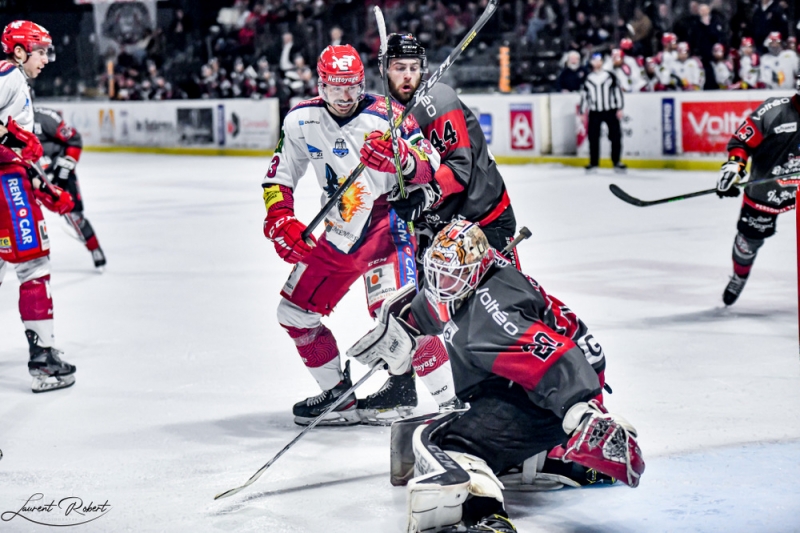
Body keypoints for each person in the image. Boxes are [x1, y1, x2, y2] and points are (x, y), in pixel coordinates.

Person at [347, 220, 645, 533]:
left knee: (453, 443)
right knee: (476, 413)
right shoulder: (467, 283)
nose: (440, 282)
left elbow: (556, 360)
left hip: (555, 391)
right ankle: (554, 462)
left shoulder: (494, 317)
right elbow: (436, 301)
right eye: (436, 272)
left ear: (476, 271)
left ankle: (487, 516)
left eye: (450, 275)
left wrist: (585, 414)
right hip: (534, 382)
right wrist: (403, 326)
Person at [261, 44, 450, 426]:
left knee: (401, 318)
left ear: (363, 83)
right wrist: (280, 217)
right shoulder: (300, 120)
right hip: (339, 228)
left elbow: (430, 164)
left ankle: (452, 404)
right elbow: (278, 176)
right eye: (335, 88)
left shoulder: (389, 115)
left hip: (385, 224)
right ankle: (338, 396)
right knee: (294, 313)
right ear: (320, 85)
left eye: (353, 87)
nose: (345, 96)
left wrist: (402, 158)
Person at [379, 33, 523, 410]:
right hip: (440, 231)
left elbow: (459, 169)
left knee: (499, 311)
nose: (407, 77)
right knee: (441, 317)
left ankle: (521, 393)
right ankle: (422, 389)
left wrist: (421, 197)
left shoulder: (437, 99)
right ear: (385, 70)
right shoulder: (383, 114)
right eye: (399, 69)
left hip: (483, 222)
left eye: (413, 68)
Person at [0, 20, 77, 392]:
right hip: (6, 183)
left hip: (12, 179)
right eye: (41, 50)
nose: (47, 58)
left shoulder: (14, 79)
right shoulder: (9, 75)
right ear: (18, 51)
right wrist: (15, 139)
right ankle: (44, 362)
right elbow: (11, 144)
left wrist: (44, 188)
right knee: (34, 264)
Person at [715, 74, 800, 305]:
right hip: (768, 191)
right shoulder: (775, 110)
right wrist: (734, 168)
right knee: (747, 242)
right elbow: (741, 142)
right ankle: (739, 276)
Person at [33, 107, 106, 270]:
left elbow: (74, 139)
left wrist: (66, 164)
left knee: (74, 214)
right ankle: (34, 257)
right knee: (23, 217)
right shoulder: (6, 121)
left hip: (59, 174)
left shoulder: (46, 118)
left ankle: (94, 248)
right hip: (29, 177)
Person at [580, 53, 626, 174]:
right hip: (594, 111)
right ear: (591, 63)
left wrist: (620, 108)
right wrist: (582, 111)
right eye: (594, 61)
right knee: (593, 138)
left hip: (610, 110)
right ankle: (593, 162)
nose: (597, 63)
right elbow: (584, 96)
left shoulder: (610, 76)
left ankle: (616, 161)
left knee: (615, 136)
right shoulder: (588, 78)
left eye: (599, 60)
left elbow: (617, 92)